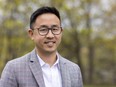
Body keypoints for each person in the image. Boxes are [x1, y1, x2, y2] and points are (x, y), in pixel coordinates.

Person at [0, 6, 83, 87]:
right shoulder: (14, 68)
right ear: (31, 34)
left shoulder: (74, 70)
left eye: (55, 29)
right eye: (43, 30)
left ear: (61, 32)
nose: (50, 35)